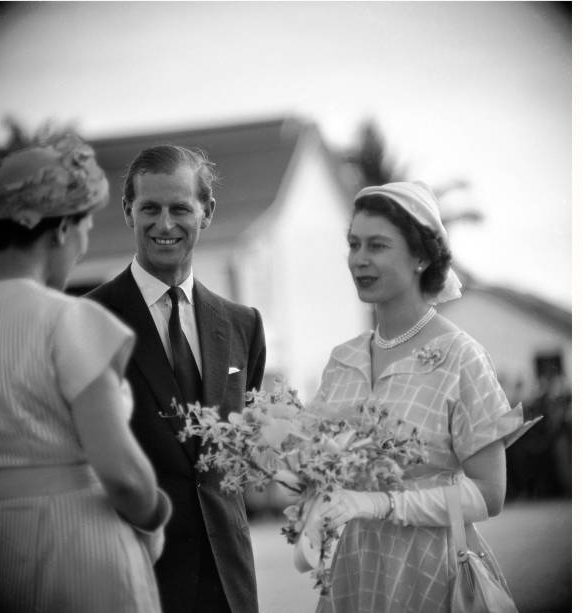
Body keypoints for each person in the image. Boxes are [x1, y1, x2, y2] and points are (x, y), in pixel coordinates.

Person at [0, 134, 171, 613]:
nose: (81, 246)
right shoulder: (69, 320)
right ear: (59, 231)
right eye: (85, 228)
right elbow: (124, 478)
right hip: (77, 546)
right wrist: (155, 515)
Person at [309, 181, 534, 613]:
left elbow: (489, 494)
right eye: (354, 244)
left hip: (432, 565)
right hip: (356, 570)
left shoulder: (460, 356)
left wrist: (382, 504)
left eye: (377, 245)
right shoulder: (342, 360)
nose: (359, 259)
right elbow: (319, 474)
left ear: (421, 256)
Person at [87, 144, 266, 613]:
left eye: (180, 208)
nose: (164, 225)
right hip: (136, 578)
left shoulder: (244, 325)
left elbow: (244, 449)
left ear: (207, 213)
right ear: (128, 211)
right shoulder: (88, 319)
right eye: (150, 208)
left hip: (231, 582)